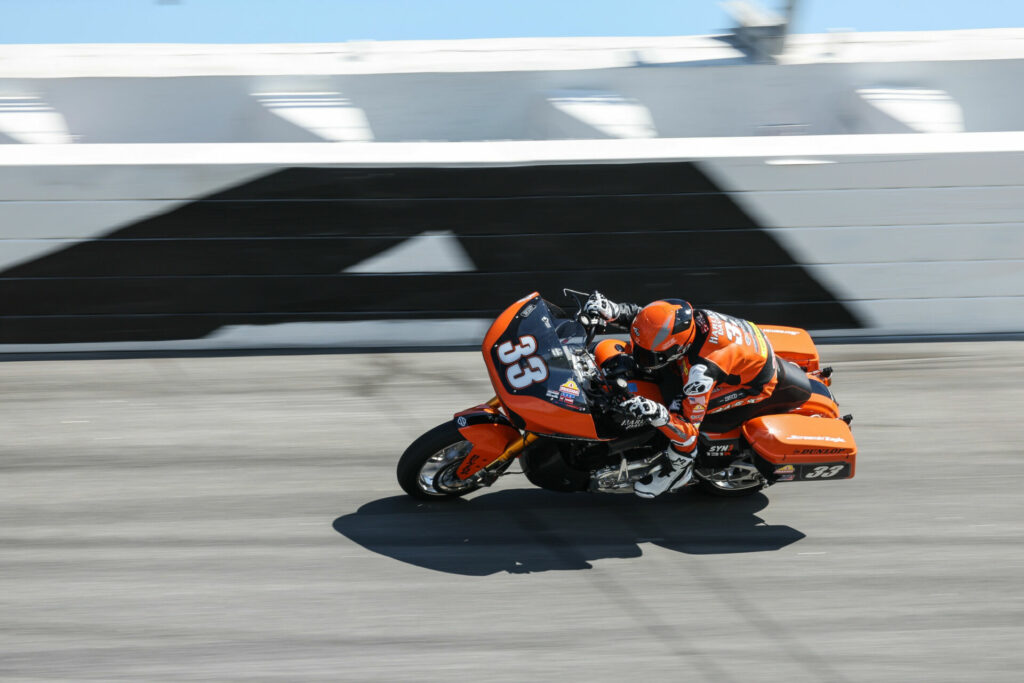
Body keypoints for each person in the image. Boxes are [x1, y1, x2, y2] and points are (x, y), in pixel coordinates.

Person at [584, 291, 806, 498]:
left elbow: (688, 432)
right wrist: (612, 309)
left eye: (649, 356)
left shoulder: (700, 374)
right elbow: (646, 319)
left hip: (751, 383)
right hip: (743, 352)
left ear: (678, 350)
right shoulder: (680, 319)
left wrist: (658, 413)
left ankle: (676, 473)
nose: (641, 357)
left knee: (673, 408)